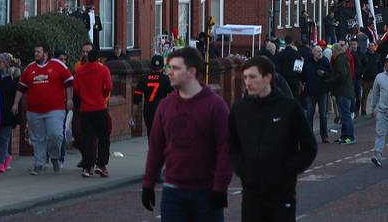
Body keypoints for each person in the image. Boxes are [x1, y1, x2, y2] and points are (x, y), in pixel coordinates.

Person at [141, 47, 232, 221]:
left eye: (175, 68)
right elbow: (156, 149)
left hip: (206, 191)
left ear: (191, 72)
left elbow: (225, 149)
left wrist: (220, 187)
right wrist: (148, 183)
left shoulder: (215, 105)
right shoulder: (166, 106)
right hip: (173, 192)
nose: (169, 73)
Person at [228, 56, 318, 222]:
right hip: (251, 191)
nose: (248, 82)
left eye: (253, 77)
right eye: (245, 77)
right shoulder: (240, 109)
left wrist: (288, 170)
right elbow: (232, 145)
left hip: (281, 192)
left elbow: (309, 146)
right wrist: (242, 169)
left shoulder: (289, 107)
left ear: (268, 77)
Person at [14, 43, 74, 175]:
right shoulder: (30, 68)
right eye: (35, 52)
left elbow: (69, 82)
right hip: (34, 111)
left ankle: (54, 156)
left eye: (38, 52)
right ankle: (39, 163)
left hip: (55, 109)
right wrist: (15, 104)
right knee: (37, 138)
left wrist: (69, 99)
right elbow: (21, 88)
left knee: (56, 135)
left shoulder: (58, 65)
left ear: (46, 53)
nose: (35, 54)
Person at [76, 50, 114, 178]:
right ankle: (101, 165)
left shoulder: (80, 71)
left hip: (85, 109)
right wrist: (102, 95)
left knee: (87, 138)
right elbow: (108, 87)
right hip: (100, 108)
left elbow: (76, 89)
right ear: (98, 59)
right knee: (104, 137)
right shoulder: (104, 70)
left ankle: (87, 167)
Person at [0, 53, 22, 173]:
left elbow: (18, 93)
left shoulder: (14, 76)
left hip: (8, 111)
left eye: (1, 61)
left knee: (4, 138)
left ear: (6, 62)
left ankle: (1, 164)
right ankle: (7, 156)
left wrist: (15, 106)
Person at [133, 54, 174, 134]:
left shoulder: (143, 79)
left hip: (148, 111)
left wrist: (133, 117)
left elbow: (136, 99)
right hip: (161, 111)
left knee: (151, 134)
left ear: (151, 66)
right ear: (162, 66)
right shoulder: (166, 79)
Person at [301, 44, 332, 143]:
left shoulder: (325, 61)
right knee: (310, 114)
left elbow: (331, 73)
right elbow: (302, 75)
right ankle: (309, 136)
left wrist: (324, 74)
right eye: (318, 51)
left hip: (322, 91)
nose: (320, 53)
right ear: (313, 52)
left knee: (323, 114)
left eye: (321, 51)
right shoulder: (307, 61)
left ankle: (324, 135)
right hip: (310, 91)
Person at [330, 41, 358, 144]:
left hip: (342, 92)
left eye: (333, 51)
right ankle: (344, 136)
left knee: (345, 115)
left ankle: (349, 137)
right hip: (346, 91)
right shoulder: (344, 58)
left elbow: (341, 75)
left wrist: (330, 80)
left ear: (337, 51)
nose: (332, 53)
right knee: (344, 115)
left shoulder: (340, 60)